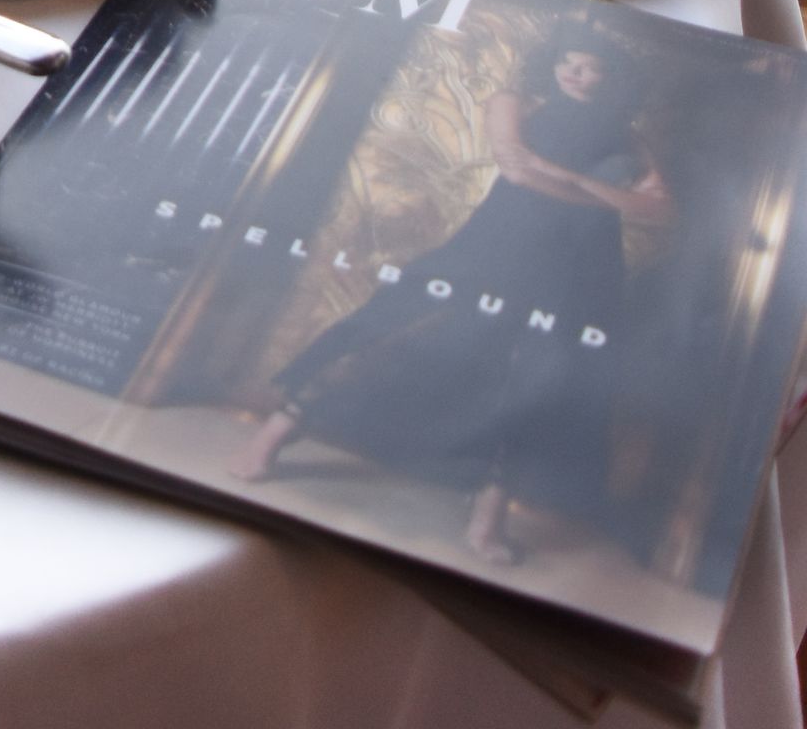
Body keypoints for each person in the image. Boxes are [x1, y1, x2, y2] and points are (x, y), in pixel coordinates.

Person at [232, 40, 670, 563]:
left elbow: (658, 210)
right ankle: (273, 436)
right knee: (385, 324)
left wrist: (572, 180)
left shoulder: (631, 137)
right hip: (497, 243)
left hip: (581, 267)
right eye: (567, 61)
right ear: (551, 63)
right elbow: (516, 170)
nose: (576, 73)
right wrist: (601, 195)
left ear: (611, 77)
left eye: (590, 66)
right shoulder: (516, 103)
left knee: (534, 379)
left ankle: (486, 523)